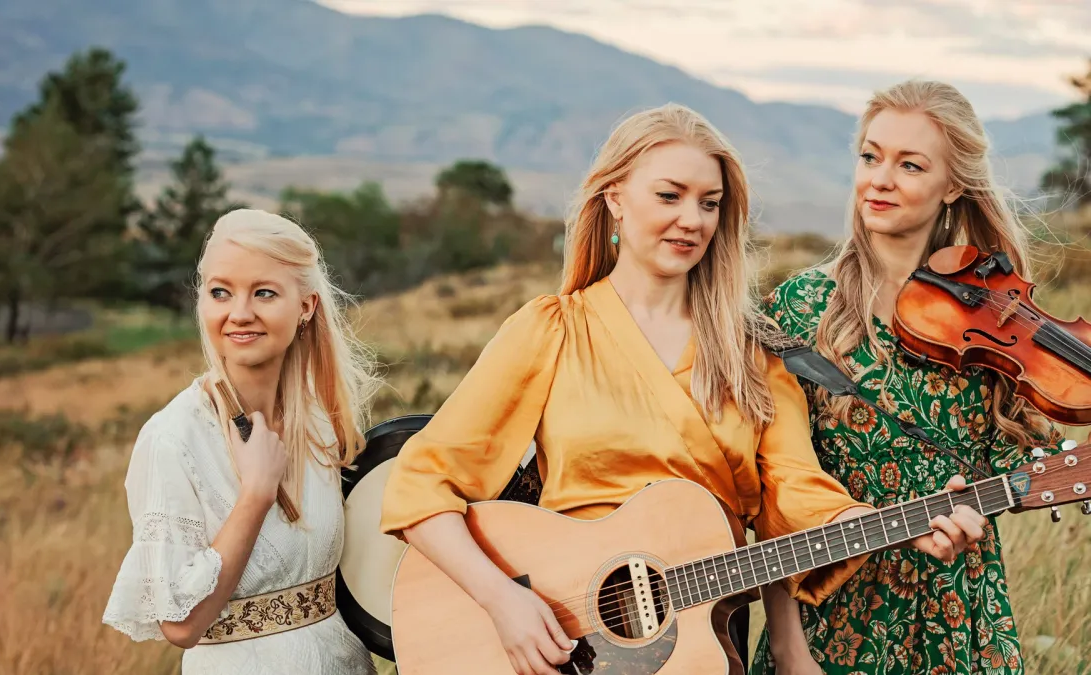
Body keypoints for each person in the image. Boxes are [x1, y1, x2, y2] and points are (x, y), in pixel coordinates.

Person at [378, 103, 988, 675]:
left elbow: (795, 491)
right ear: (614, 197)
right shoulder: (552, 330)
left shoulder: (756, 351)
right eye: (669, 196)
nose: (692, 220)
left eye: (710, 203)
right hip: (563, 635)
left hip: (697, 640)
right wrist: (502, 603)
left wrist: (902, 523)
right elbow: (423, 485)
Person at [751, 80, 1065, 675]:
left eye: (909, 164)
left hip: (961, 620)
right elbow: (773, 490)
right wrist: (791, 648)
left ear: (953, 185)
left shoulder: (993, 318)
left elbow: (1020, 459)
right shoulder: (800, 308)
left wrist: (978, 502)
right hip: (835, 624)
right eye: (870, 156)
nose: (880, 179)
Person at [102, 209, 381, 674]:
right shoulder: (174, 438)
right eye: (220, 292)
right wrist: (255, 495)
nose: (239, 313)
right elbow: (182, 625)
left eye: (264, 293)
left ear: (306, 306)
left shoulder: (317, 423)